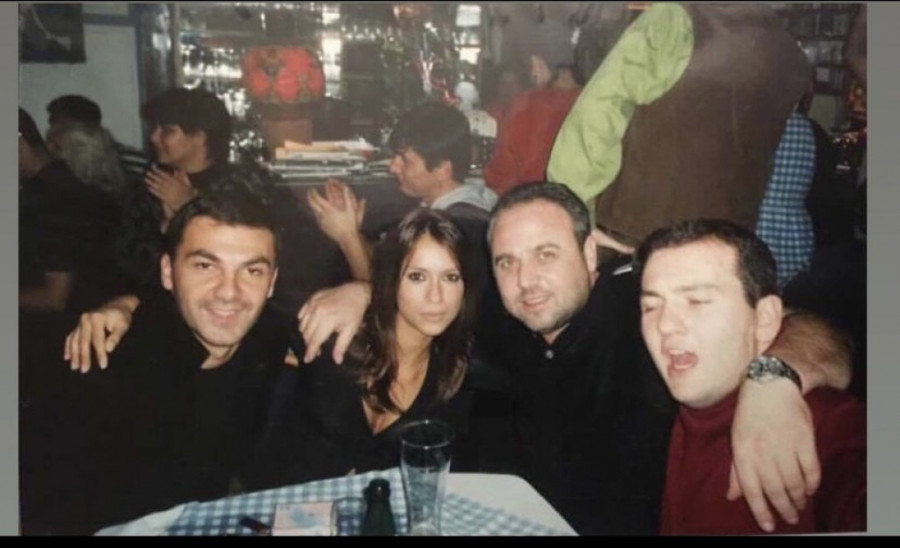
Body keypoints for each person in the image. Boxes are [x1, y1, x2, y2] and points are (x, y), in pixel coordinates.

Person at [292, 182, 852, 535]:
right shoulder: (500, 317)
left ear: (590, 254)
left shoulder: (643, 309)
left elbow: (806, 328)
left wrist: (773, 376)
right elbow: (423, 296)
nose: (526, 280)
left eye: (546, 255)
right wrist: (365, 291)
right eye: (507, 262)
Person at [29, 184, 298, 534]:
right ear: (168, 272)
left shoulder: (268, 334)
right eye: (205, 266)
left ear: (272, 282)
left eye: (252, 271)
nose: (229, 292)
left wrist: (358, 291)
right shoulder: (106, 363)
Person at [634, 219, 865, 534]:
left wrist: (771, 377)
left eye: (697, 301)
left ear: (765, 319)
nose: (665, 325)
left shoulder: (820, 425)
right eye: (650, 307)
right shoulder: (654, 401)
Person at [546, 3, 812, 253]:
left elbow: (600, 108)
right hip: (728, 245)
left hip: (636, 239)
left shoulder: (676, 20)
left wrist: (571, 209)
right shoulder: (789, 52)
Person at [256, 208, 480, 486]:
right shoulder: (335, 334)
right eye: (417, 277)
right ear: (391, 279)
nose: (436, 297)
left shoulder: (456, 372)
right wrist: (362, 290)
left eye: (450, 277)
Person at [306, 101, 497, 283]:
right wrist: (352, 231)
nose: (393, 167)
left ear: (442, 170)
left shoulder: (462, 225)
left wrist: (347, 237)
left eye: (405, 160)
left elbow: (388, 298)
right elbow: (387, 268)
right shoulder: (436, 207)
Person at [482, 60, 582, 196]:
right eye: (503, 84)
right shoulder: (593, 106)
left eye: (537, 65)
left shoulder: (525, 107)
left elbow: (503, 170)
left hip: (529, 196)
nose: (535, 73)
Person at [46, 94, 149, 184]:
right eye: (52, 125)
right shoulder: (55, 164)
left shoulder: (132, 160)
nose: (52, 132)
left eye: (60, 127)